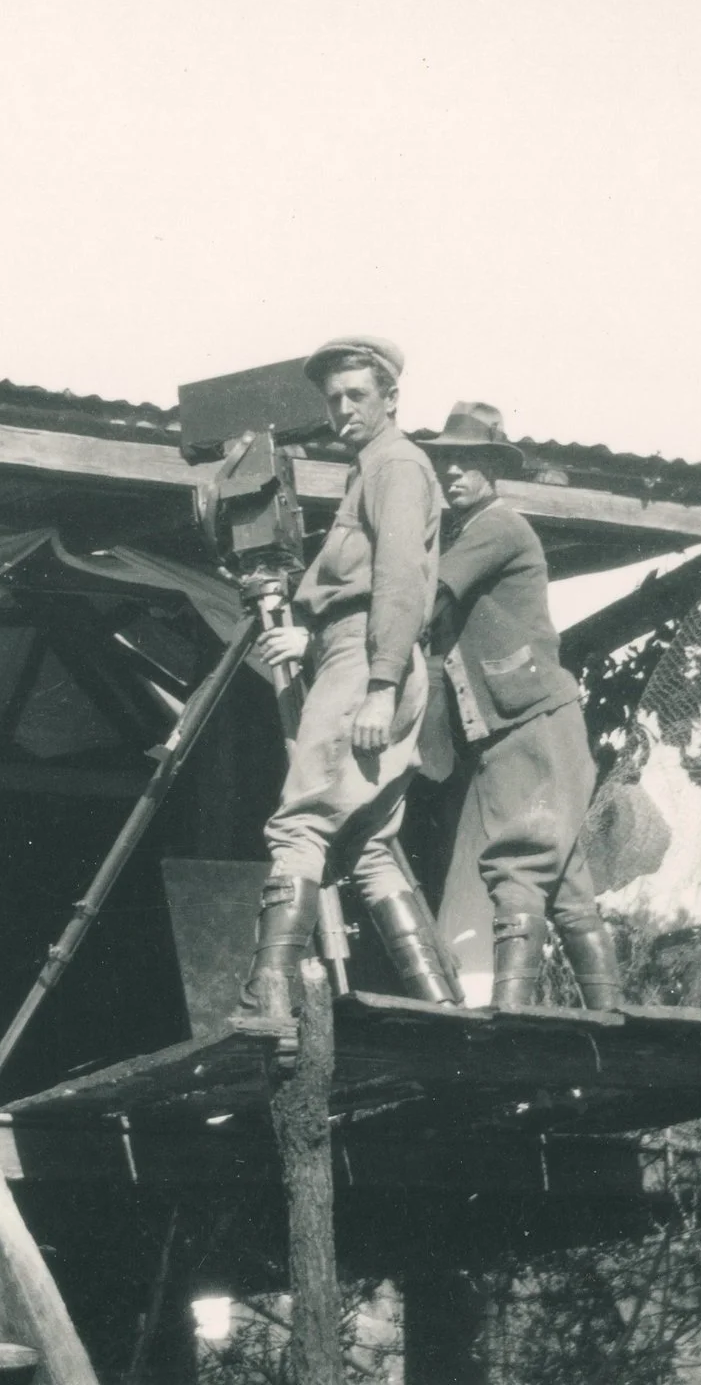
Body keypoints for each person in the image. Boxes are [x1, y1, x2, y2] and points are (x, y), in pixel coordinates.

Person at [242, 335, 456, 1014]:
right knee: (366, 842)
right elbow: (358, 577)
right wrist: (308, 635)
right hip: (357, 649)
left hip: (369, 657)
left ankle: (267, 996)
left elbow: (397, 578)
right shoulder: (376, 467)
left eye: (357, 395)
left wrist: (380, 686)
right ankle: (439, 1011)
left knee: (301, 824)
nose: (343, 409)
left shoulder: (395, 464)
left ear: (391, 398)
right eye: (333, 399)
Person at [415, 403, 622, 1008]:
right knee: (564, 880)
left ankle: (512, 1014)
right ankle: (609, 1014)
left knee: (523, 863)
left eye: (467, 461)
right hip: (507, 728)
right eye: (445, 461)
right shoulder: (471, 530)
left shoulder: (497, 527)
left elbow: (426, 598)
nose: (452, 472)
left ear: (493, 470)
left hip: (533, 719)